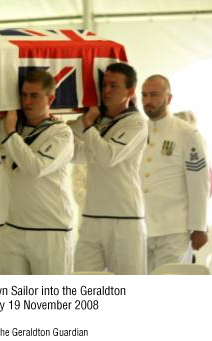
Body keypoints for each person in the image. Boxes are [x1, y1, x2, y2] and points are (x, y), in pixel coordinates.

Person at [69, 62, 148, 275]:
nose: (106, 90)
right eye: (104, 85)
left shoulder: (136, 123)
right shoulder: (96, 120)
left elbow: (107, 156)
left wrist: (88, 127)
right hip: (92, 215)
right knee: (82, 285)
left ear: (130, 91)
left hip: (125, 218)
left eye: (114, 85)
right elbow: (75, 152)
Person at [0, 69, 75, 275]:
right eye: (23, 95)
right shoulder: (10, 127)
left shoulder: (61, 132)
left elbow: (36, 167)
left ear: (50, 98)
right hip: (14, 227)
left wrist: (11, 134)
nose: (27, 101)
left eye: (34, 96)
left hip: (50, 230)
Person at [140, 75, 210, 273]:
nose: (148, 100)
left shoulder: (187, 133)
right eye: (144, 95)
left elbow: (199, 182)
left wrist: (199, 226)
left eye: (154, 95)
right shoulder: (137, 131)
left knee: (170, 287)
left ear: (168, 98)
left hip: (174, 230)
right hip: (142, 227)